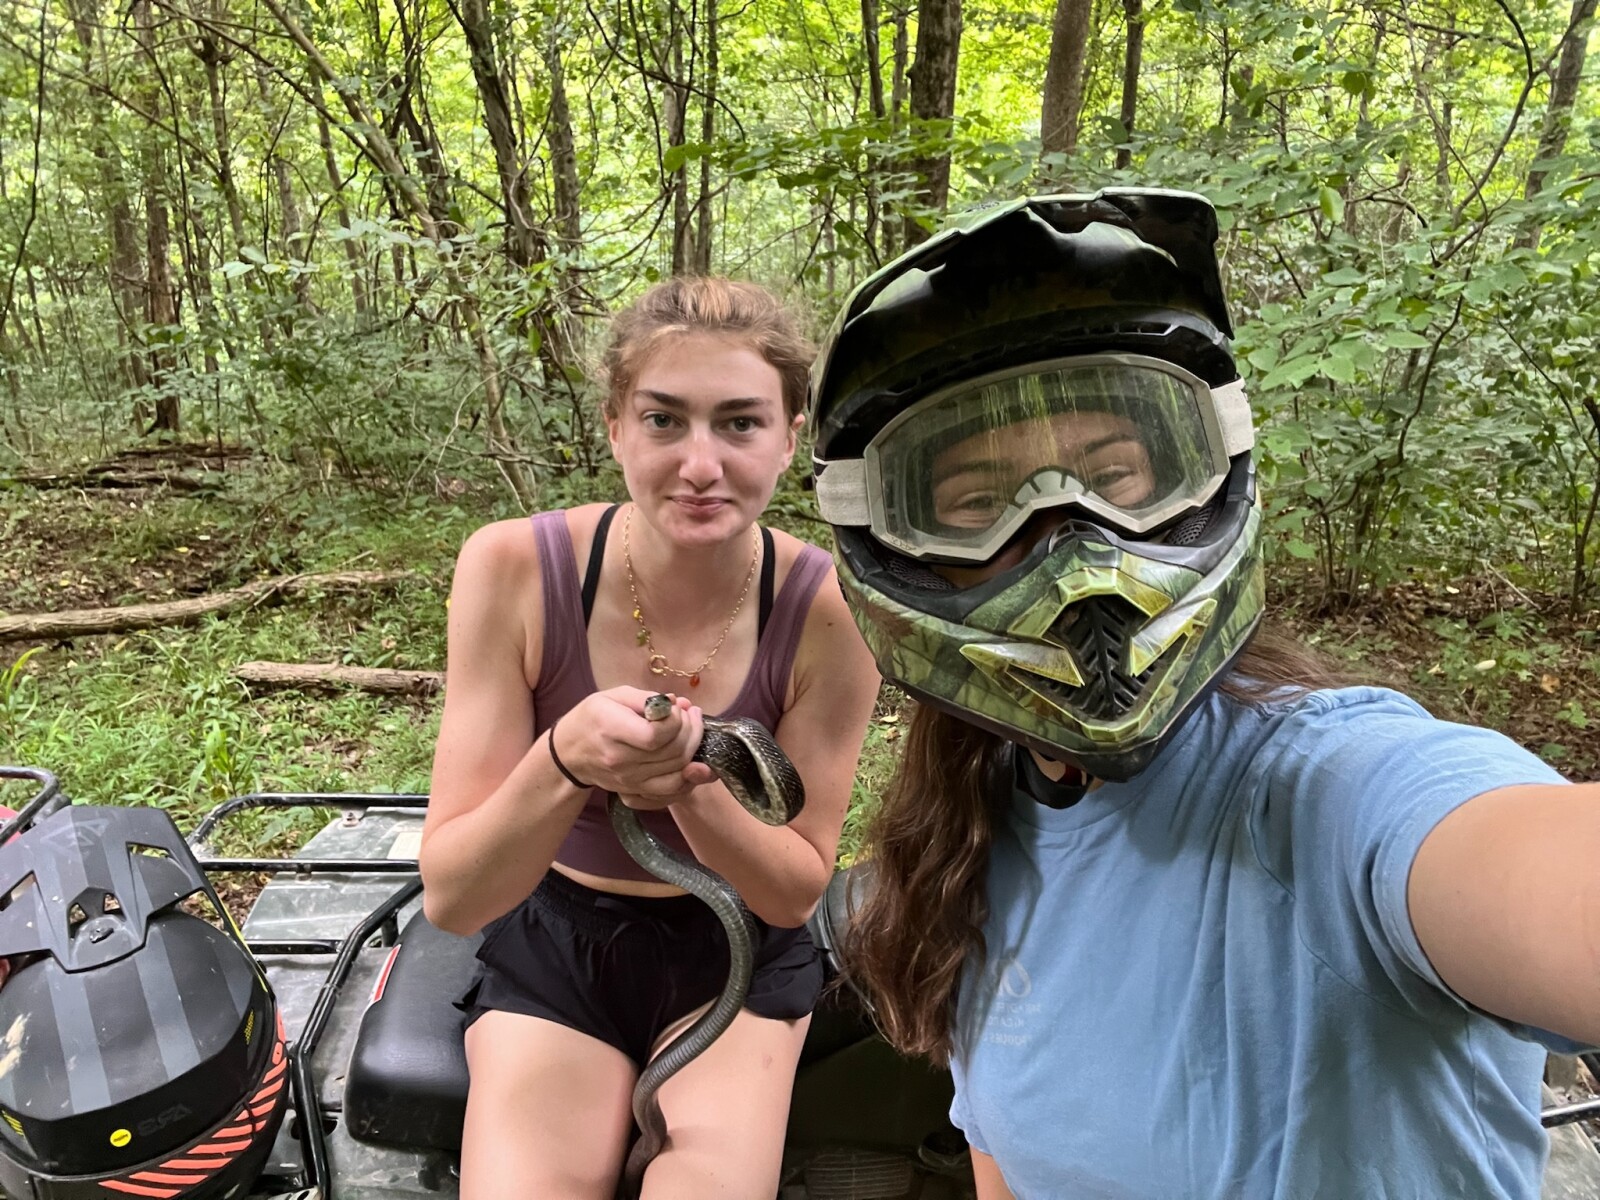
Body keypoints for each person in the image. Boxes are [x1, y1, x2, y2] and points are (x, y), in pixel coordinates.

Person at [807, 189, 1600, 1199]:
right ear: (895, 546)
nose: (1073, 544)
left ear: (1206, 470)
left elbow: (1523, 871)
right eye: (974, 503)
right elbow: (1006, 1163)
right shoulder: (959, 854)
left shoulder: (1332, 793)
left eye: (1117, 475)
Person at [420, 277, 881, 1200]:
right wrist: (563, 758)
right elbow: (455, 897)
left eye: (740, 423)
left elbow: (794, 889)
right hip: (561, 942)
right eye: (664, 421)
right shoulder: (511, 568)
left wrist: (691, 788)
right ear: (615, 429)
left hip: (739, 953)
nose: (700, 464)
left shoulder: (835, 608)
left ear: (791, 438)